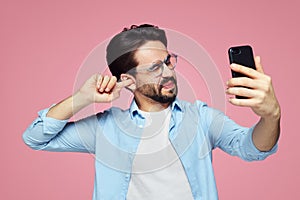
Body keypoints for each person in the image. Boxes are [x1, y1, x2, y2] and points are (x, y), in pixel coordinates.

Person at [23, 24, 281, 200]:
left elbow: (251, 148)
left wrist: (271, 116)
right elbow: (35, 138)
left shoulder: (201, 118)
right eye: (155, 67)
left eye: (168, 61)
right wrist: (81, 98)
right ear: (129, 81)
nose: (168, 72)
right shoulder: (106, 128)